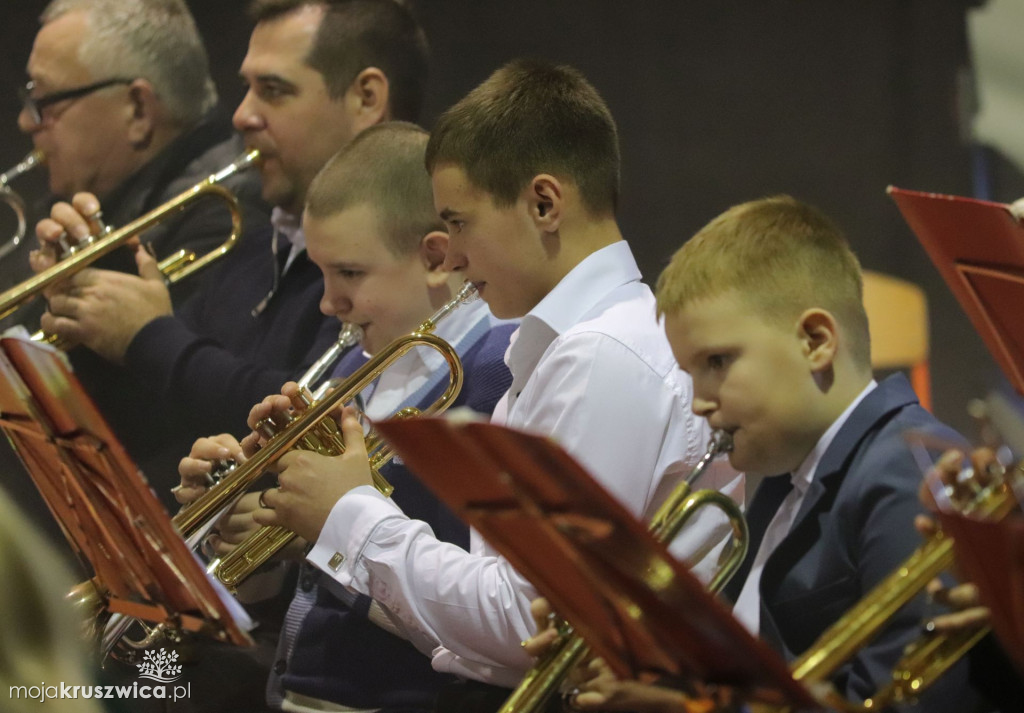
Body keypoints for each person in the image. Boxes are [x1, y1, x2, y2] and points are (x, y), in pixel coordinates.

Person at [244, 58, 739, 711]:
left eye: (458, 222)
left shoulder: (601, 356)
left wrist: (352, 513)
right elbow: (500, 641)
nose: (450, 254)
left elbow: (522, 620)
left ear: (543, 203)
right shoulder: (561, 348)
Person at [31, 0, 430, 501]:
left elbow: (321, 414)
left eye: (274, 91)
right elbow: (157, 421)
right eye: (247, 88)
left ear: (366, 97)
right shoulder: (259, 244)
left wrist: (148, 334)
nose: (241, 115)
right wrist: (83, 305)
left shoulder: (406, 262)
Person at [179, 121, 516, 712]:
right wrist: (242, 521)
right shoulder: (352, 370)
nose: (327, 303)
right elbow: (296, 583)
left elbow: (476, 606)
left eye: (350, 275)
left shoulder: (495, 375)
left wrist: (329, 525)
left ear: (437, 257)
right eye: (322, 272)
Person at [2, 0, 269, 549]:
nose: (27, 123)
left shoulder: (226, 216)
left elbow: (172, 423)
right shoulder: (106, 206)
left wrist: (109, 314)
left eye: (44, 100)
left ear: (137, 109)